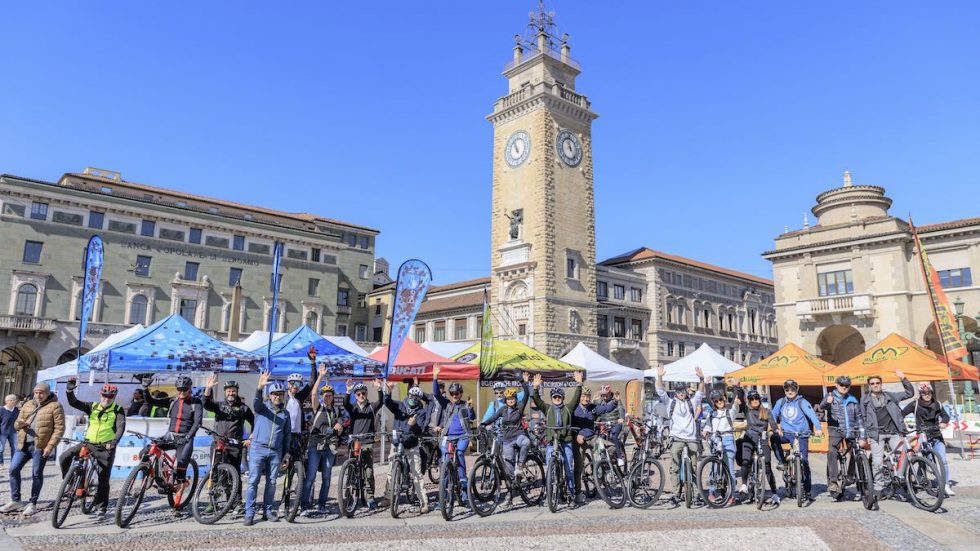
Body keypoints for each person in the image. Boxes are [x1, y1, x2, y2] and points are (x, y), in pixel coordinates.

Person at [60, 380, 125, 520]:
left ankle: (101, 507)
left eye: (110, 397)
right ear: (100, 394)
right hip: (88, 443)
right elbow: (74, 403)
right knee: (64, 457)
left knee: (103, 477)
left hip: (105, 447)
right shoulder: (92, 406)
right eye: (104, 395)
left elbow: (121, 427)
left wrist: (114, 442)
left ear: (114, 397)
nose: (106, 399)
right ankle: (71, 483)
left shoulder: (118, 410)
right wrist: (69, 391)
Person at [0, 382, 65, 517]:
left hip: (40, 446)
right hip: (23, 444)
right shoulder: (27, 404)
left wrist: (50, 446)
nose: (38, 395)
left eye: (41, 393)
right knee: (13, 469)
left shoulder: (55, 406)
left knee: (36, 473)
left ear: (47, 393)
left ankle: (33, 503)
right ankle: (16, 500)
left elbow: (59, 429)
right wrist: (20, 424)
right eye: (36, 392)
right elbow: (17, 424)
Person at [141, 375, 203, 503]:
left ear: (189, 388)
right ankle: (153, 478)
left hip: (185, 439)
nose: (181, 392)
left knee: (180, 470)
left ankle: (177, 505)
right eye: (179, 389)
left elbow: (197, 423)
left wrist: (187, 437)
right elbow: (151, 401)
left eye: (184, 389)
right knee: (146, 452)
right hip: (170, 435)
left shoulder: (196, 403)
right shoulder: (173, 401)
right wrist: (145, 388)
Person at [300, 366, 349, 516]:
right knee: (311, 477)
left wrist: (340, 425)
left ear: (333, 397)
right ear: (322, 397)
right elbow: (313, 393)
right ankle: (305, 506)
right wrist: (320, 376)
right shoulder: (318, 408)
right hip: (315, 444)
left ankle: (321, 504)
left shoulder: (337, 410)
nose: (328, 397)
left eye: (330, 395)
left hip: (330, 447)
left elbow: (342, 422)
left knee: (327, 478)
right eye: (325, 395)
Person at [244, 371, 291, 526]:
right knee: (253, 481)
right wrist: (259, 387)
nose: (277, 396)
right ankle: (249, 513)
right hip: (258, 448)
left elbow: (287, 435)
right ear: (270, 396)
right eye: (274, 394)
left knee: (271, 482)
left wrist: (286, 454)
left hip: (275, 451)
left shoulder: (286, 414)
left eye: (280, 394)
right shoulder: (263, 408)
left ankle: (268, 510)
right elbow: (256, 403)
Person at [530, 371, 584, 502]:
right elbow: (537, 401)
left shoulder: (568, 408)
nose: (557, 399)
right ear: (552, 398)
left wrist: (579, 384)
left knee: (569, 468)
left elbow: (576, 399)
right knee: (550, 465)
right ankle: (552, 492)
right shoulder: (547, 408)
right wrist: (535, 388)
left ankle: (572, 493)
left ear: (563, 398)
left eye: (559, 397)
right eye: (555, 397)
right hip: (551, 441)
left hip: (566, 441)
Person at [655, 365, 705, 504]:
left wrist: (701, 379)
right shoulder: (670, 402)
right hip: (676, 438)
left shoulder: (692, 402)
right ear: (675, 392)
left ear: (686, 391)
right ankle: (676, 493)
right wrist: (659, 377)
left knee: (694, 467)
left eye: (683, 390)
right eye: (678, 391)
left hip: (691, 439)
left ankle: (695, 494)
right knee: (674, 467)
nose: (681, 393)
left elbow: (700, 393)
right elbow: (660, 391)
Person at [860, 369, 913, 499]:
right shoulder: (865, 400)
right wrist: (863, 436)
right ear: (869, 385)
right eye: (872, 383)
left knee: (903, 455)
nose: (875, 385)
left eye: (877, 382)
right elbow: (862, 417)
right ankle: (878, 488)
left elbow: (909, 393)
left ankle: (901, 479)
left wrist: (903, 379)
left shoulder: (890, 396)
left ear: (881, 384)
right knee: (877, 462)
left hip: (894, 432)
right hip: (876, 434)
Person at [480, 372, 532, 506]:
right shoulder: (502, 409)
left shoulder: (520, 407)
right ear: (506, 400)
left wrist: (523, 382)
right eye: (508, 399)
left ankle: (520, 466)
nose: (510, 401)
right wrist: (483, 424)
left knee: (526, 442)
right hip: (507, 440)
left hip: (518, 435)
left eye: (512, 399)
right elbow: (493, 417)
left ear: (515, 399)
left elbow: (526, 394)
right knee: (508, 472)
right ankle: (510, 496)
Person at [382, 380, 431, 513]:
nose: (413, 399)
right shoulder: (400, 405)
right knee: (391, 471)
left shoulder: (421, 412)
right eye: (411, 395)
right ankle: (389, 495)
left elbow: (420, 429)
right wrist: (388, 391)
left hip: (411, 444)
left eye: (416, 397)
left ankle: (423, 503)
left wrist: (414, 424)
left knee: (417, 474)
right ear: (408, 395)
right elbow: (387, 403)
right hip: (397, 442)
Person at [771, 379, 822, 502]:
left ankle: (808, 490)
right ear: (784, 390)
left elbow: (812, 414)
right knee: (773, 438)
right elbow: (772, 415)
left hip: (801, 434)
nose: (790, 391)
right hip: (786, 433)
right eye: (787, 389)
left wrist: (818, 428)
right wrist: (775, 428)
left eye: (792, 389)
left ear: (796, 390)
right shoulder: (781, 402)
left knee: (804, 461)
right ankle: (782, 461)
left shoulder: (802, 402)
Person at [431, 365, 476, 504]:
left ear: (461, 393)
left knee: (460, 453)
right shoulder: (447, 405)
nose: (455, 396)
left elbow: (472, 417)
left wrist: (470, 407)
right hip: (448, 437)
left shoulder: (464, 405)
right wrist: (435, 377)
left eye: (457, 393)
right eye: (452, 394)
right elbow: (437, 394)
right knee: (445, 463)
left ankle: (463, 487)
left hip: (462, 436)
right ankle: (443, 498)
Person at [817, 375, 866, 498]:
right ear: (837, 385)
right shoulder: (830, 397)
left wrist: (862, 436)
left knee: (857, 451)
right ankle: (833, 481)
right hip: (835, 429)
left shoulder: (853, 400)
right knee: (832, 451)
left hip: (851, 430)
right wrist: (827, 403)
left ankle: (850, 476)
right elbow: (822, 407)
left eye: (846, 386)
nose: (844, 387)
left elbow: (859, 418)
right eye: (841, 385)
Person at [902, 382, 953, 496]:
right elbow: (902, 413)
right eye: (924, 393)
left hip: (936, 436)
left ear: (931, 392)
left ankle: (945, 485)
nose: (927, 395)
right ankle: (921, 480)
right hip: (923, 437)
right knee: (926, 461)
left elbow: (945, 416)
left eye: (928, 392)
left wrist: (944, 422)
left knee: (943, 461)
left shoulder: (938, 404)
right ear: (920, 394)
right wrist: (904, 425)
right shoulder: (914, 404)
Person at [342, 377, 385, 511]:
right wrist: (348, 391)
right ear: (356, 396)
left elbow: (382, 401)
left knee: (368, 471)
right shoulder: (353, 408)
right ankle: (349, 494)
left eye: (363, 393)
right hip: (354, 442)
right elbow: (345, 404)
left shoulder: (371, 407)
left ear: (366, 394)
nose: (361, 396)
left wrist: (379, 388)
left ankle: (370, 498)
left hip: (367, 442)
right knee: (351, 469)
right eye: (358, 394)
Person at [203, 374, 254, 475]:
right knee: (215, 472)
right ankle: (213, 489)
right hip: (219, 443)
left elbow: (254, 422)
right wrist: (208, 389)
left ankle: (234, 490)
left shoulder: (244, 408)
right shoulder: (219, 406)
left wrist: (250, 438)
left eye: (233, 391)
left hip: (235, 446)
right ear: (225, 392)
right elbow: (206, 404)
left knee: (235, 474)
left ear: (237, 392)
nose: (231, 393)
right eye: (229, 391)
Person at [736, 389, 780, 504]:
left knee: (767, 466)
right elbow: (741, 399)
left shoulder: (766, 411)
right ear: (749, 401)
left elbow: (773, 424)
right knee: (746, 461)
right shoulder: (748, 411)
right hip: (749, 439)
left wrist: (776, 430)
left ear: (759, 399)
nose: (754, 401)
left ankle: (774, 493)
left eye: (756, 398)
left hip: (763, 439)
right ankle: (745, 485)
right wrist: (738, 388)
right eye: (752, 399)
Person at [703, 387, 740, 506]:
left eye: (720, 400)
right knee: (713, 469)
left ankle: (732, 495)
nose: (719, 402)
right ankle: (712, 492)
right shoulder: (711, 413)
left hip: (728, 439)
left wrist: (736, 388)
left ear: (724, 399)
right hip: (715, 440)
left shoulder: (730, 411)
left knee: (730, 469)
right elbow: (708, 426)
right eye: (716, 401)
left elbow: (735, 403)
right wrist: (705, 431)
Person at [594, 384, 627, 468]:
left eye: (606, 394)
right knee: (599, 439)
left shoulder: (615, 399)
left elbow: (621, 409)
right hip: (604, 425)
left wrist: (621, 418)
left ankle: (619, 457)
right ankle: (601, 460)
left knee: (614, 436)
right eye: (603, 394)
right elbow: (594, 409)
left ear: (610, 393)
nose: (604, 397)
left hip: (615, 423)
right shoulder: (599, 401)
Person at [0, 394, 19, 468]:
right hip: (3, 432)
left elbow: (18, 419)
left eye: (14, 400)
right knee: (1, 449)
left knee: (14, 448)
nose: (13, 402)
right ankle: (1, 463)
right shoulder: (1, 409)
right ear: (7, 401)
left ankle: (13, 463)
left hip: (13, 432)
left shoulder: (16, 410)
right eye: (12, 400)